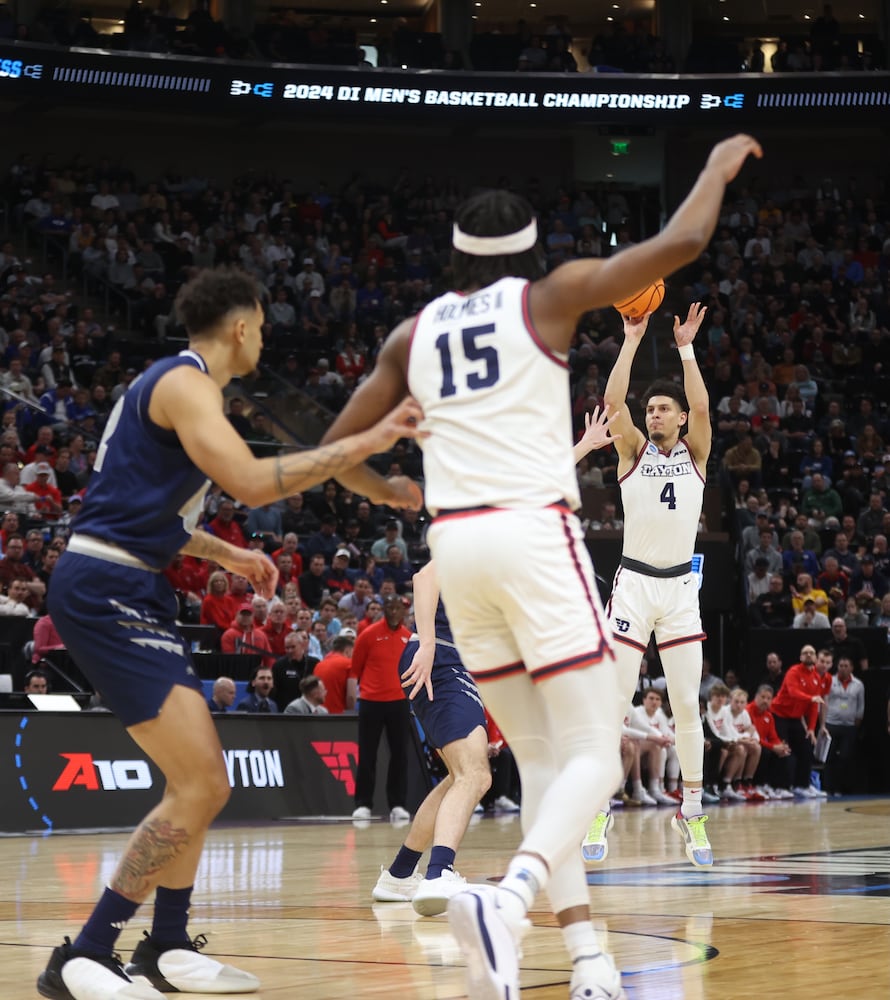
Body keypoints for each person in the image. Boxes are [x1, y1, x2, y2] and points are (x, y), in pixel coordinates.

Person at [320, 134, 762, 1000]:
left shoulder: (415, 333)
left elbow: (339, 450)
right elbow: (676, 245)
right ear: (525, 254)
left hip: (457, 546)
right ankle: (512, 895)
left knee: (542, 763)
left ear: (453, 256)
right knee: (596, 748)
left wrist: (396, 491)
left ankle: (590, 959)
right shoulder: (545, 299)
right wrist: (712, 169)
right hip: (532, 537)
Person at [37, 266, 424, 1000]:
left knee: (199, 784)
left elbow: (145, 512)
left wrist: (231, 553)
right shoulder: (186, 384)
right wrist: (369, 440)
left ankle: (169, 944)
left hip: (132, 578)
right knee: (204, 781)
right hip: (105, 585)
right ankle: (84, 954)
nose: (266, 336)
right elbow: (250, 483)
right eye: (264, 325)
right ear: (242, 325)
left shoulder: (179, 392)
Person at [590, 300, 715, 869]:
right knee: (612, 703)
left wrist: (686, 347)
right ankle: (599, 803)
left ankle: (692, 809)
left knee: (688, 704)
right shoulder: (633, 452)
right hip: (635, 586)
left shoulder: (697, 454)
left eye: (665, 408)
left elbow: (703, 403)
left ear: (681, 418)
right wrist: (632, 338)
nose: (657, 415)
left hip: (680, 592)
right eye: (653, 410)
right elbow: (612, 405)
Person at [372, 560, 491, 918]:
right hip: (438, 655)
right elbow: (426, 577)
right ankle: (439, 874)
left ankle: (399, 874)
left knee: (460, 776)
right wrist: (427, 644)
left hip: (452, 662)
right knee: (475, 774)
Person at [349, 593, 414, 822]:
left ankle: (397, 804)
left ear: (404, 611)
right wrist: (350, 698)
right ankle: (363, 804)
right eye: (391, 608)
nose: (394, 612)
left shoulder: (409, 638)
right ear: (384, 609)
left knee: (400, 755)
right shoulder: (368, 634)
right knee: (367, 754)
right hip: (371, 701)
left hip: (399, 702)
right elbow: (354, 669)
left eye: (398, 608)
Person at [769, 644, 827, 798]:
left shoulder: (816, 677)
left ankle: (802, 786)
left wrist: (811, 729)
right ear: (801, 657)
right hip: (779, 714)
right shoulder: (793, 672)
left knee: (806, 749)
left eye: (811, 653)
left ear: (815, 658)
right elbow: (794, 693)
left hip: (795, 718)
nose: (808, 655)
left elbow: (815, 706)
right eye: (805, 653)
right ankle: (780, 787)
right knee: (784, 750)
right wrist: (811, 698)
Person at [822, 655, 865, 795]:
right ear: (837, 667)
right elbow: (824, 700)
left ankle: (840, 788)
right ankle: (828, 788)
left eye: (846, 666)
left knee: (844, 758)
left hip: (849, 726)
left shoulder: (858, 684)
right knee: (829, 758)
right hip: (831, 724)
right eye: (841, 666)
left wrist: (856, 720)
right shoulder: (829, 681)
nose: (843, 668)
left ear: (852, 668)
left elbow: (860, 705)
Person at [271, 628, 318, 707]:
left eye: (293, 647)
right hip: (286, 709)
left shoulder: (314, 663)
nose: (290, 651)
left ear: (302, 645)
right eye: (287, 648)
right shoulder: (279, 665)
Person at [313, 630, 355, 714]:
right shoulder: (349, 664)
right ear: (347, 650)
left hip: (318, 714)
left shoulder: (319, 665)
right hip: (338, 715)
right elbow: (351, 697)